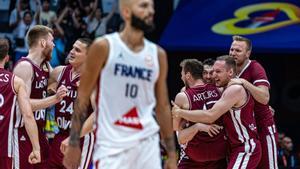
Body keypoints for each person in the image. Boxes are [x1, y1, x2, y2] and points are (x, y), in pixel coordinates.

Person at [63, 0, 177, 169]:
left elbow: (163, 106)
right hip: (112, 145)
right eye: (144, 6)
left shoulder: (158, 54)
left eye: (152, 6)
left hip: (147, 144)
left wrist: (172, 153)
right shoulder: (103, 47)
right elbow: (83, 97)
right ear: (126, 12)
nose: (151, 11)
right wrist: (74, 142)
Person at [172, 55, 261, 169]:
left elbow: (209, 116)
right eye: (207, 73)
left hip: (244, 145)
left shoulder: (229, 89)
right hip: (228, 149)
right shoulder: (220, 90)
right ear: (200, 74)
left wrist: (180, 112)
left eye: (216, 72)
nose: (211, 76)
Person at [13, 25, 67, 169]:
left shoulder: (45, 66)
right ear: (43, 43)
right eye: (52, 40)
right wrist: (54, 99)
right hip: (23, 133)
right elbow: (23, 105)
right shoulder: (25, 67)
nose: (54, 44)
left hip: (40, 132)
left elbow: (60, 74)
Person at [229, 35, 278, 169]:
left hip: (262, 127)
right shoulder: (227, 68)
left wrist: (244, 82)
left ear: (248, 53)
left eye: (238, 51)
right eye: (231, 49)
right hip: (242, 132)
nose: (233, 53)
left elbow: (264, 98)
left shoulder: (255, 68)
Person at [47, 38, 94, 169]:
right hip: (59, 134)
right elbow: (48, 83)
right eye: (73, 48)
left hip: (80, 139)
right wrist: (53, 89)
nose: (72, 52)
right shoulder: (59, 71)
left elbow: (98, 114)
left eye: (77, 50)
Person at [174, 59, 227, 169]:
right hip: (219, 154)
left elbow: (176, 128)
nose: (181, 77)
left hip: (195, 154)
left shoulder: (183, 96)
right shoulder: (221, 90)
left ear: (188, 75)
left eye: (182, 74)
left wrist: (195, 125)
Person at [0, 38, 41, 168]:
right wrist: (36, 149)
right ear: (7, 58)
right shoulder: (16, 82)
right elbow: (28, 115)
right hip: (4, 147)